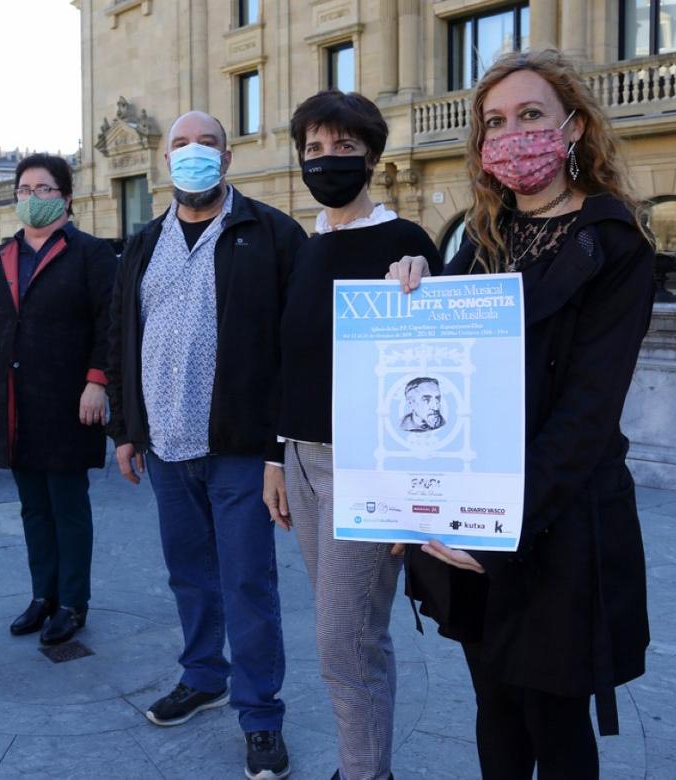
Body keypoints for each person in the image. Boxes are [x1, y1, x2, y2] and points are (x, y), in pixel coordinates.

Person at [389, 50, 653, 779]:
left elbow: (588, 414)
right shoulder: (482, 239)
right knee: (495, 706)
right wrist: (412, 288)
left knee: (555, 720)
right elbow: (437, 374)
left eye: (531, 115)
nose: (513, 133)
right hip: (472, 517)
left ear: (573, 128)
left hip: (554, 524)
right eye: (495, 122)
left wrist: (493, 524)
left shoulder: (614, 242)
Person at [106, 110, 306, 780]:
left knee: (248, 580)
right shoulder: (141, 243)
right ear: (166, 159)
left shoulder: (270, 233)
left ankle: (260, 716)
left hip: (241, 450)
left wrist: (280, 451)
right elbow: (122, 335)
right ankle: (203, 676)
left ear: (229, 156)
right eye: (182, 144)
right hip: (163, 445)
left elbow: (296, 347)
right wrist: (126, 431)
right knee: (189, 575)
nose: (194, 153)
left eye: (208, 144)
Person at [263, 90, 442, 780]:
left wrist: (425, 283)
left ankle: (365, 774)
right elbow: (292, 361)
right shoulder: (310, 247)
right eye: (313, 149)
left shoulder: (406, 242)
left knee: (343, 641)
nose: (326, 160)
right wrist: (279, 455)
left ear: (372, 154)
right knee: (352, 633)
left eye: (342, 147)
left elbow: (448, 361)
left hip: (371, 465)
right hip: (305, 462)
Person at [0, 153, 116, 646]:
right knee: (32, 506)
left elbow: (109, 324)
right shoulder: (1, 256)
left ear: (66, 198)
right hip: (15, 400)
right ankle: (42, 596)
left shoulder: (90, 254)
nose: (33, 198)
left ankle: (73, 602)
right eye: (25, 190)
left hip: (69, 400)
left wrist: (97, 381)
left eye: (44, 189)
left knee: (67, 505)